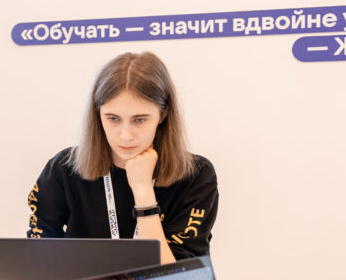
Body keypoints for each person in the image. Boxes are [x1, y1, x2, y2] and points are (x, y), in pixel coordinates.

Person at [27, 52, 218, 262]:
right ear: (98, 114)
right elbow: (39, 260)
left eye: (139, 120)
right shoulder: (64, 168)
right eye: (113, 119)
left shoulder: (196, 176)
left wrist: (144, 193)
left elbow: (178, 277)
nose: (125, 135)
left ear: (162, 115)